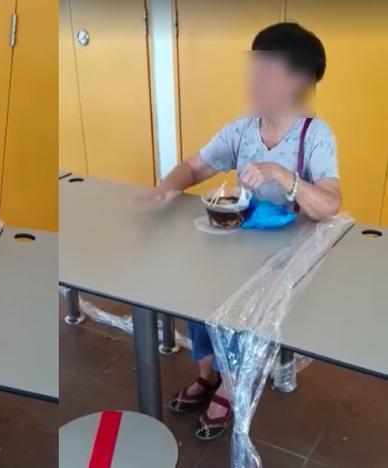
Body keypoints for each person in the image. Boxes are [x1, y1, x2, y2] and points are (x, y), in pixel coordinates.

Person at [139, 22, 341, 440]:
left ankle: (231, 387)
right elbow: (194, 166)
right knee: (199, 291)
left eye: (268, 70)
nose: (254, 79)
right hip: (238, 244)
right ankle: (208, 373)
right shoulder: (243, 128)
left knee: (240, 305)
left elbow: (330, 204)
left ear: (298, 81)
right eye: (254, 67)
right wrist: (167, 188)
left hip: (284, 258)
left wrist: (283, 175)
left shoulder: (315, 135)